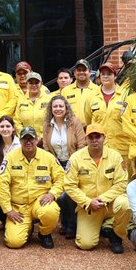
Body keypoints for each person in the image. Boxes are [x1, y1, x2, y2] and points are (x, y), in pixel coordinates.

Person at [64, 123, 131, 253]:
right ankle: (101, 226)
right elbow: (69, 186)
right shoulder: (76, 158)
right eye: (91, 137)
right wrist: (88, 202)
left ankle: (116, 235)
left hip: (111, 204)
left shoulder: (115, 156)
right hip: (89, 207)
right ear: (86, 139)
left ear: (104, 138)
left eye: (98, 136)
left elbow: (121, 183)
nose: (94, 140)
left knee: (125, 204)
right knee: (85, 244)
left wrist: (102, 199)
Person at [0, 125, 65, 249]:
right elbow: (2, 184)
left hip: (39, 202)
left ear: (36, 140)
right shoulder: (10, 158)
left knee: (51, 211)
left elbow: (61, 177)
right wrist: (8, 210)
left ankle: (44, 233)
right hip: (19, 207)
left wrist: (52, 193)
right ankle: (26, 228)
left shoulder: (48, 157)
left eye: (31, 139)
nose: (28, 142)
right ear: (20, 141)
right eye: (25, 139)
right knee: (14, 243)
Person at [41, 94, 86, 237]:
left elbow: (82, 144)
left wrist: (73, 164)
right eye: (55, 106)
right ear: (51, 109)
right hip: (56, 164)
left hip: (73, 162)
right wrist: (54, 165)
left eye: (61, 106)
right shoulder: (47, 124)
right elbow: (46, 147)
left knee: (69, 193)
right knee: (59, 195)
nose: (58, 109)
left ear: (66, 107)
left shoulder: (74, 122)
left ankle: (72, 224)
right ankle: (64, 221)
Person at [80, 63, 124, 147]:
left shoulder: (125, 95)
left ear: (115, 76)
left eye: (109, 74)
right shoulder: (91, 96)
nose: (105, 76)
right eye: (103, 74)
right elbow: (88, 120)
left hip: (121, 146)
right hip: (99, 146)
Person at [14, 71, 51, 136]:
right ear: (26, 84)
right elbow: (17, 121)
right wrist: (24, 136)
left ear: (41, 84)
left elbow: (52, 121)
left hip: (46, 139)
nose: (34, 85)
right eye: (31, 83)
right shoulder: (21, 100)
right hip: (26, 139)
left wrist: (42, 137)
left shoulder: (49, 99)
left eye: (36, 83)